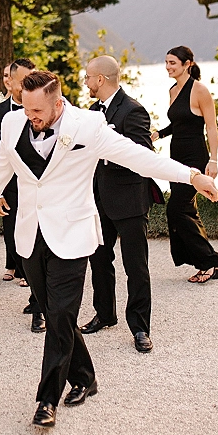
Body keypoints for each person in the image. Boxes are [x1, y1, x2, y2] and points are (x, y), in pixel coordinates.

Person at [0, 71, 218, 429]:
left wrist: (192, 175)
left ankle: (46, 400)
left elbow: (139, 157)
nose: (30, 116)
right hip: (30, 234)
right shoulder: (11, 122)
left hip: (72, 234)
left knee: (58, 316)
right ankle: (85, 376)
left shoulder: (88, 126)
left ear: (58, 102)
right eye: (25, 108)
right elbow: (0, 168)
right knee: (60, 315)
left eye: (37, 110)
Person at [80, 56, 162, 353]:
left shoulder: (133, 110)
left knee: (135, 266)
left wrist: (110, 146)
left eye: (88, 77)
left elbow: (143, 154)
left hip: (128, 199)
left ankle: (140, 327)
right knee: (99, 260)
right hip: (98, 197)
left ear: (100, 79)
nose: (85, 82)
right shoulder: (90, 112)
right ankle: (105, 314)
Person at [152, 45, 218, 283]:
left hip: (195, 157)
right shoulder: (173, 90)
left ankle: (210, 262)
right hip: (176, 158)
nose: (168, 67)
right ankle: (205, 261)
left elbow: (211, 127)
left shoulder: (200, 90)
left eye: (173, 62)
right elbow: (178, 123)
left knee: (177, 208)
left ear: (187, 64)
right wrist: (158, 134)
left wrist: (213, 160)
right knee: (186, 210)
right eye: (166, 62)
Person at [0, 59, 45, 333]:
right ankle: (37, 296)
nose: (31, 86)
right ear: (10, 82)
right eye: (24, 82)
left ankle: (40, 307)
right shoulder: (1, 114)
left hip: (46, 194)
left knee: (43, 249)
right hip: (13, 189)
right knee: (21, 245)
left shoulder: (51, 108)